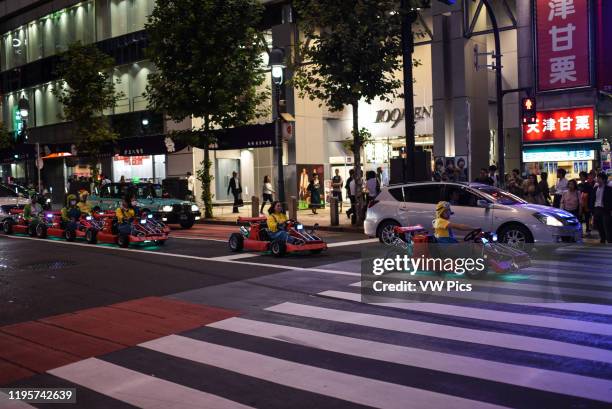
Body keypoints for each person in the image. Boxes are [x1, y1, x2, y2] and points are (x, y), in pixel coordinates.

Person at [593, 173, 612, 244]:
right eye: (597, 178)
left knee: (607, 225)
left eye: (599, 178)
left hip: (605, 209)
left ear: (604, 180)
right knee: (599, 225)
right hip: (597, 208)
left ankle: (609, 240)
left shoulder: (609, 189)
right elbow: (593, 199)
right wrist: (592, 209)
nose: (597, 180)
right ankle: (602, 238)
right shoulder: (595, 188)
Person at [578, 171, 595, 236]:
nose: (581, 177)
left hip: (586, 203)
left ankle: (588, 229)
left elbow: (591, 195)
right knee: (580, 217)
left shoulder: (588, 185)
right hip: (580, 203)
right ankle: (581, 230)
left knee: (587, 217)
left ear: (585, 177)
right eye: (580, 176)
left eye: (582, 176)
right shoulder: (579, 185)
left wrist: (590, 204)